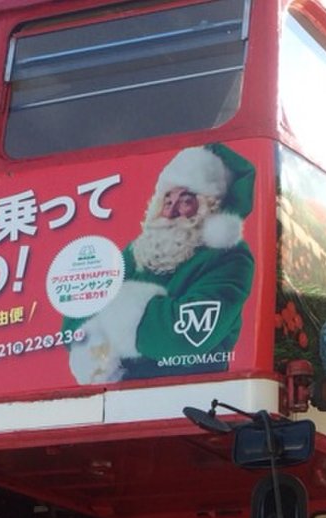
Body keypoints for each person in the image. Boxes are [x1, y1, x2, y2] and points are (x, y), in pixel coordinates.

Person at [67, 142, 255, 384]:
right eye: (168, 200)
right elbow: (78, 310)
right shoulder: (137, 251)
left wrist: (114, 315)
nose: (172, 210)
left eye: (186, 201)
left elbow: (187, 335)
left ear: (209, 206)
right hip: (114, 399)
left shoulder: (230, 257)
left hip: (190, 399)